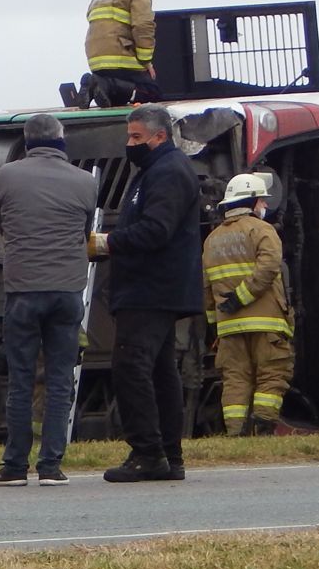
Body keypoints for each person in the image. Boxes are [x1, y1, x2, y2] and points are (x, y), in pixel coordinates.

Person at [0, 112, 97, 485]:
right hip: (67, 291)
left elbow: (1, 224)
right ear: (60, 139)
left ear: (27, 140)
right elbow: (84, 231)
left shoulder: (5, 175)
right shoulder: (85, 182)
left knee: (20, 379)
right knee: (60, 380)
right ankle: (51, 466)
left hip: (23, 290)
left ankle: (15, 465)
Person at [95, 103, 202, 481]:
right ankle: (169, 455)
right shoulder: (154, 170)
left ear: (160, 136)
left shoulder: (168, 172)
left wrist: (107, 243)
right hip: (154, 287)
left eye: (136, 137)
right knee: (159, 371)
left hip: (151, 288)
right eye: (129, 136)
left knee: (131, 367)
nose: (130, 143)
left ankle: (147, 453)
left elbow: (157, 230)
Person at [202, 173, 292, 435]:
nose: (265, 206)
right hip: (267, 322)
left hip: (228, 327)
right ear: (252, 202)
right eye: (262, 201)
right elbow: (270, 266)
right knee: (272, 374)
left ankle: (236, 434)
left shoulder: (212, 239)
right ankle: (262, 430)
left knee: (235, 380)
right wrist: (243, 296)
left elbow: (207, 287)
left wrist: (215, 324)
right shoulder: (263, 230)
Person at [74, 0, 160, 109]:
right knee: (151, 92)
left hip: (95, 62)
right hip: (120, 58)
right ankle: (102, 84)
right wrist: (146, 61)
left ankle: (97, 84)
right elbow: (143, 27)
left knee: (113, 97)